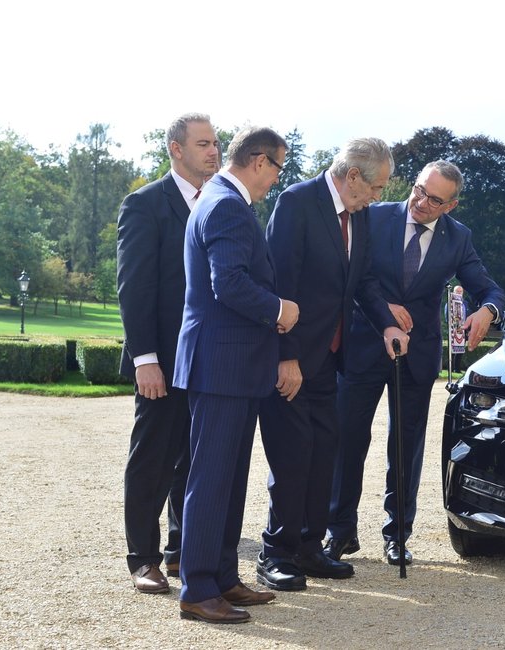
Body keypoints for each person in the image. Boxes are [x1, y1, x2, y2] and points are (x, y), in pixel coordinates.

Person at [326, 160, 505, 566]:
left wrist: (487, 311)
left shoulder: (458, 239)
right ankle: (338, 532)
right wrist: (384, 311)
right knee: (347, 440)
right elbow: (353, 277)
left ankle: (397, 536)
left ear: (451, 206)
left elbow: (488, 287)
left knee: (405, 448)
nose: (421, 202)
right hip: (364, 344)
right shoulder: (372, 216)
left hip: (418, 356)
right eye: (419, 190)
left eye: (434, 199)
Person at [256, 138, 409, 591]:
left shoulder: (357, 216)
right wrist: (286, 357)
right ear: (353, 176)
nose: (380, 197)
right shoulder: (297, 203)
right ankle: (275, 553)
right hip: (292, 356)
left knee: (325, 452)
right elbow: (277, 282)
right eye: (377, 186)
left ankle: (308, 547)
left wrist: (386, 325)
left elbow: (361, 279)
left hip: (329, 359)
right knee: (291, 455)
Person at [172, 126, 299, 624]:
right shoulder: (226, 203)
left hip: (231, 365)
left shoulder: (220, 198)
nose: (275, 179)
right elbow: (227, 284)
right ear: (261, 160)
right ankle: (198, 588)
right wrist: (280, 311)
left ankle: (221, 577)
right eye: (278, 168)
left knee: (226, 478)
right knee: (211, 479)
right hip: (222, 364)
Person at [116, 113, 219, 594]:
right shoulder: (145, 205)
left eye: (216, 143)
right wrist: (145, 359)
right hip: (161, 359)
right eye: (203, 143)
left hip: (208, 360)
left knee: (193, 460)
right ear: (176, 149)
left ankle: (182, 553)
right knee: (153, 458)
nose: (213, 151)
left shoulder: (219, 203)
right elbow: (134, 289)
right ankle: (142, 558)